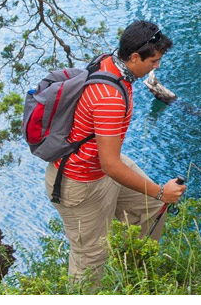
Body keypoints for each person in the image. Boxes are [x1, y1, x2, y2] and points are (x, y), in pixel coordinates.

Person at [45, 20, 187, 285]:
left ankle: (133, 278)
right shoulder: (109, 97)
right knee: (89, 259)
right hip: (80, 182)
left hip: (98, 163)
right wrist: (160, 190)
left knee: (153, 208)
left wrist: (157, 196)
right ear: (134, 56)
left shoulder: (109, 62)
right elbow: (110, 165)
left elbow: (108, 161)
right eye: (153, 61)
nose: (156, 67)